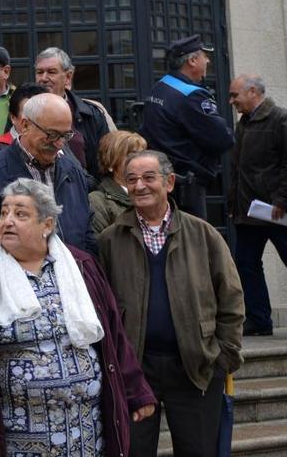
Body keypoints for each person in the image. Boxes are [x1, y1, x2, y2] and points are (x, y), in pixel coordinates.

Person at [0, 178, 156, 457]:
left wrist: (137, 391)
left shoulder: (81, 267)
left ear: (47, 225)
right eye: (4, 213)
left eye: (21, 214)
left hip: (86, 435)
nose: (8, 221)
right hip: (15, 439)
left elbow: (112, 334)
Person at [98, 150, 244, 456]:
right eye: (132, 179)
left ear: (170, 183)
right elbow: (102, 306)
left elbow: (230, 297)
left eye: (149, 178)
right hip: (136, 368)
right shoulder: (111, 239)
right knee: (133, 450)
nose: (139, 186)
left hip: (195, 366)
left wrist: (223, 357)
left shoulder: (202, 234)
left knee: (199, 450)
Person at [0, 93, 96, 256]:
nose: (59, 143)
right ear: (25, 125)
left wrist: (85, 271)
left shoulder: (73, 172)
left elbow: (86, 233)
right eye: (51, 135)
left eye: (65, 135)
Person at [139, 35, 234, 219]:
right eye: (204, 56)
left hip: (165, 177)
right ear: (192, 60)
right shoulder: (191, 95)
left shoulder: (160, 87)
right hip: (186, 185)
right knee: (193, 239)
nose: (207, 61)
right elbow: (221, 139)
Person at [228, 74, 287, 336]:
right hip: (249, 211)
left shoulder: (280, 119)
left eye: (235, 95)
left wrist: (282, 200)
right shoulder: (244, 125)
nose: (232, 101)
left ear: (253, 92)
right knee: (246, 263)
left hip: (276, 211)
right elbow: (238, 169)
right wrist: (234, 203)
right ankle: (259, 320)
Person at [35, 46, 115, 178]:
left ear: (68, 77)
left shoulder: (91, 113)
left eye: (51, 72)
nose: (43, 78)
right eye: (39, 72)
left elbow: (108, 159)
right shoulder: (23, 111)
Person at [89, 130, 148, 236]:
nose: (140, 161)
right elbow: (100, 246)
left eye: (143, 155)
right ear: (111, 163)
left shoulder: (153, 193)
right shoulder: (98, 202)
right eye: (132, 156)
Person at [0, 82, 49, 153]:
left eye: (41, 112)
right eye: (29, 113)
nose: (36, 119)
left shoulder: (58, 144)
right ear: (13, 117)